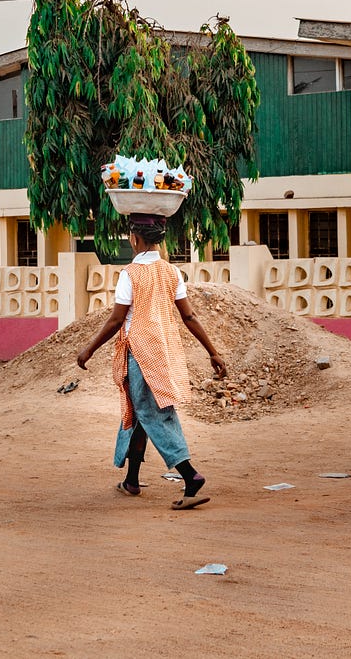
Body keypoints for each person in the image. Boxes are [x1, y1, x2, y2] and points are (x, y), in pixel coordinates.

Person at [76, 213, 228, 509]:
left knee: (152, 413)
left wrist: (88, 349)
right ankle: (132, 481)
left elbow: (116, 319)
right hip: (165, 351)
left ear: (134, 238)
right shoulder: (172, 273)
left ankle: (189, 475)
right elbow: (189, 316)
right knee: (139, 413)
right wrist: (212, 351)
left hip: (140, 353)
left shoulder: (130, 274)